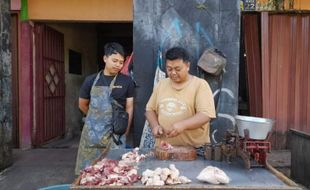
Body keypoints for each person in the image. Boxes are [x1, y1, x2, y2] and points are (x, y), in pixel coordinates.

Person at [75, 42, 135, 175]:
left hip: (116, 135)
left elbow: (129, 107)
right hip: (92, 137)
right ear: (105, 58)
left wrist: (125, 130)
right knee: (89, 174)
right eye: (114, 60)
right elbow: (82, 104)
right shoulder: (90, 80)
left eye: (121, 62)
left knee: (114, 173)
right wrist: (96, 119)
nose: (118, 65)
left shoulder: (127, 82)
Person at [145, 46, 216, 148]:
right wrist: (155, 126)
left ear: (187, 66)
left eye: (177, 69)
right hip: (164, 148)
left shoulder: (200, 85)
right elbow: (150, 109)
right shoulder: (161, 84)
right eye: (169, 69)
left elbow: (206, 115)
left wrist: (183, 125)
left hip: (194, 150)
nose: (173, 72)